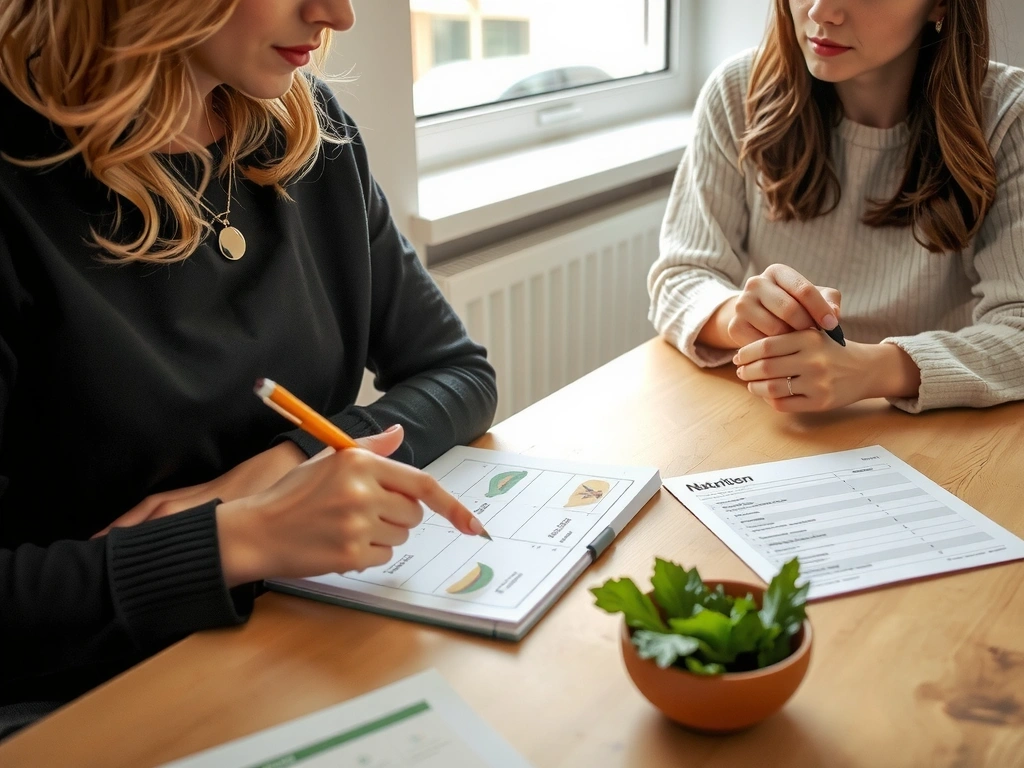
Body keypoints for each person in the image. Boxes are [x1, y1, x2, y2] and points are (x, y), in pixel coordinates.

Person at [0, 0, 498, 732]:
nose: (338, 15)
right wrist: (239, 536)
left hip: (294, 637)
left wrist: (281, 464)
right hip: (80, 695)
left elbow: (457, 373)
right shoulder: (19, 185)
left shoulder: (309, 129)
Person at [649, 0, 1024, 413]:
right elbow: (681, 277)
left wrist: (873, 369)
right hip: (780, 417)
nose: (822, 11)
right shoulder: (740, 90)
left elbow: (1019, 328)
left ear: (939, 5)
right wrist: (741, 318)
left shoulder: (1009, 116)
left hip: (945, 426)